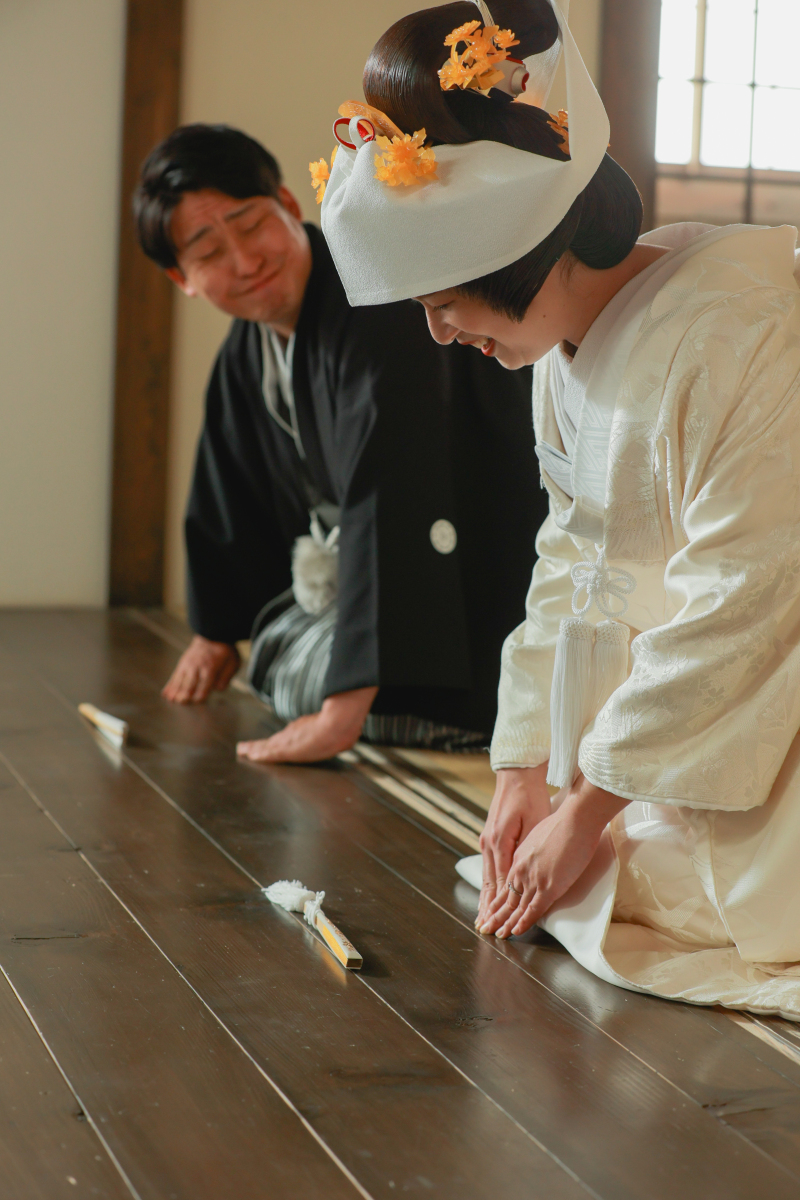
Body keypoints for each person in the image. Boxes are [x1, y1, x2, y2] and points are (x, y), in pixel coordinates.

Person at [320, 0, 800, 1017]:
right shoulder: (555, 349)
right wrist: (519, 772)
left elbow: (742, 595)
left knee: (652, 894)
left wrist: (586, 807)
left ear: (521, 257)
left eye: (443, 300)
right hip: (668, 722)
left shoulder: (746, 327)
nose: (441, 334)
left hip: (762, 672)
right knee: (570, 883)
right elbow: (570, 561)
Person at [134, 124, 546, 763]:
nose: (244, 262)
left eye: (249, 226)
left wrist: (342, 707)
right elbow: (229, 492)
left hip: (475, 581)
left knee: (297, 672)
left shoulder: (377, 301)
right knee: (272, 652)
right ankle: (354, 673)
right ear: (179, 276)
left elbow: (397, 492)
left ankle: (388, 690)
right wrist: (216, 633)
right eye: (208, 252)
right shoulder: (248, 349)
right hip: (376, 591)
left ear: (289, 206)